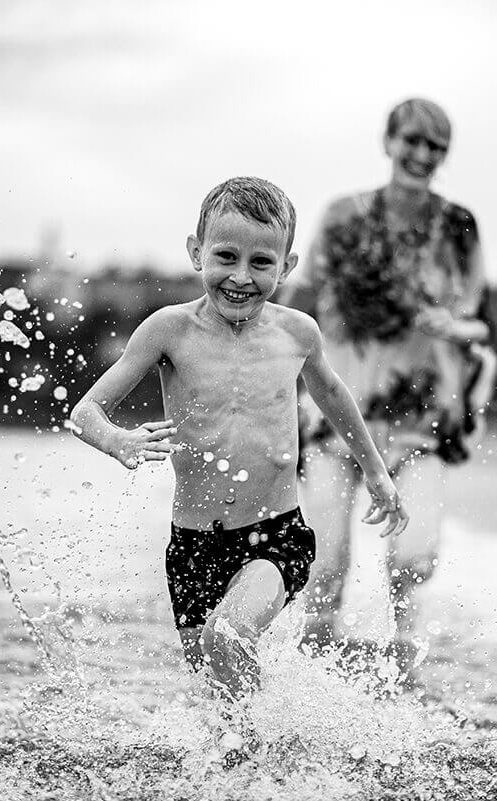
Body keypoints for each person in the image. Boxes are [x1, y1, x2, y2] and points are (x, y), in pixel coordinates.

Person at [70, 177, 409, 700]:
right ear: (195, 251)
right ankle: (254, 759)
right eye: (226, 256)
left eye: (261, 263)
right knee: (213, 695)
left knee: (225, 637)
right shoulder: (169, 331)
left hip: (274, 535)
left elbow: (336, 399)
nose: (241, 278)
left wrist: (377, 473)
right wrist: (117, 440)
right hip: (192, 545)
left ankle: (262, 753)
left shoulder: (297, 334)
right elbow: (86, 410)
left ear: (287, 267)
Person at [282, 98, 497, 658]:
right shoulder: (341, 217)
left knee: (413, 559)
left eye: (435, 146)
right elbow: (298, 299)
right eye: (412, 140)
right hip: (335, 415)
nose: (422, 154)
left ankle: (405, 674)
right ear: (388, 141)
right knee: (324, 567)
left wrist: (452, 323)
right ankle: (315, 689)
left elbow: (480, 327)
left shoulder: (458, 227)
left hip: (420, 419)